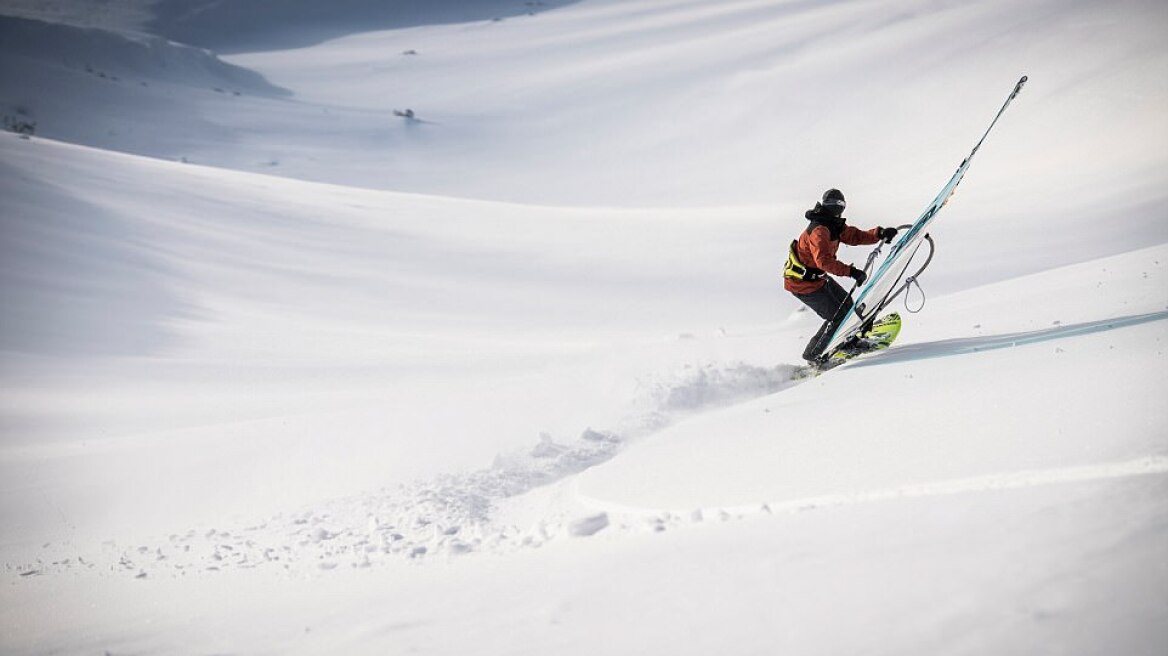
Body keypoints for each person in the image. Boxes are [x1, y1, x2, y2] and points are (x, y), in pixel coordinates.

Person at [784, 189, 897, 362]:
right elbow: (823, 261)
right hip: (801, 284)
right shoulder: (820, 230)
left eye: (841, 206)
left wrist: (878, 234)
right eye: (837, 206)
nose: (839, 210)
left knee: (848, 307)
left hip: (818, 278)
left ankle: (849, 342)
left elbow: (854, 236)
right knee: (836, 317)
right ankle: (814, 355)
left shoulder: (832, 224)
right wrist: (851, 272)